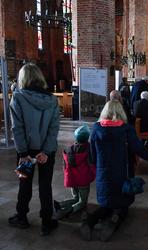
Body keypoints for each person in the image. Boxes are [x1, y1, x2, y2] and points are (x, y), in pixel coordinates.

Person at [80, 100, 148, 241]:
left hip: (103, 175)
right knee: (123, 205)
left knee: (106, 203)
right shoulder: (126, 129)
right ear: (120, 112)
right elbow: (142, 151)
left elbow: (92, 157)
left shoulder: (97, 128)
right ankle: (114, 221)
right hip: (122, 175)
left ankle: (91, 220)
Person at [8, 63, 60, 236]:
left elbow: (17, 128)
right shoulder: (52, 100)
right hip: (47, 151)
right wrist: (45, 151)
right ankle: (47, 221)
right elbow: (54, 129)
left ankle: (21, 217)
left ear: (23, 78)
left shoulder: (18, 97)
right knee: (46, 185)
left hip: (26, 151)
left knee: (24, 183)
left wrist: (23, 153)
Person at [54, 125, 95, 220]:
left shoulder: (68, 150)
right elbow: (92, 165)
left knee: (76, 198)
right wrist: (95, 174)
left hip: (72, 180)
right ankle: (68, 211)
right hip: (83, 180)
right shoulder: (89, 150)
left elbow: (65, 167)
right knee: (82, 202)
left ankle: (60, 205)